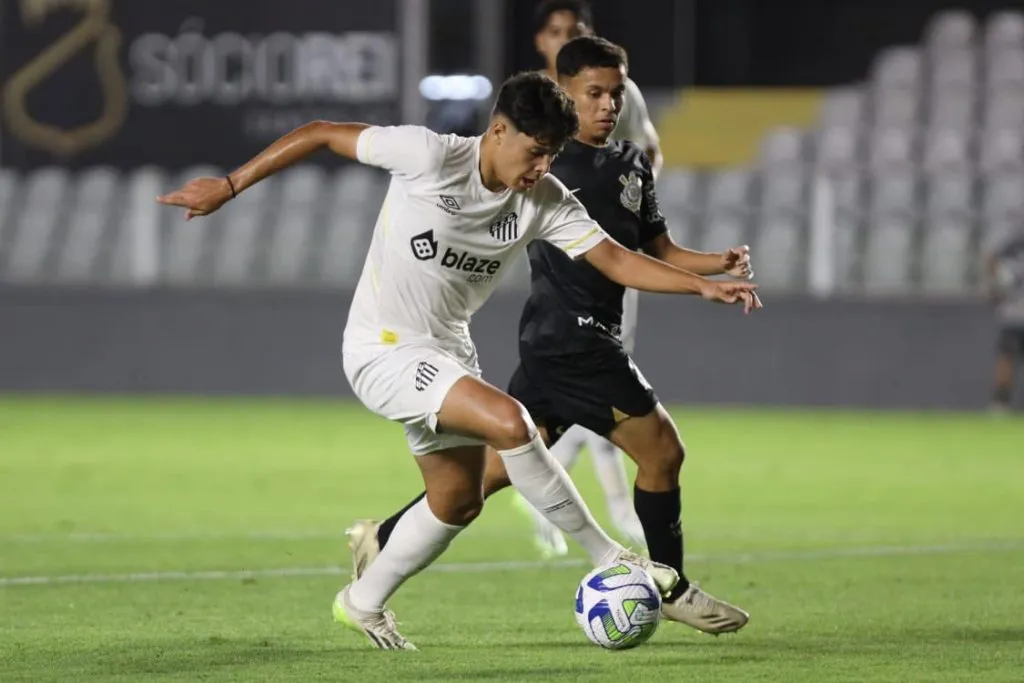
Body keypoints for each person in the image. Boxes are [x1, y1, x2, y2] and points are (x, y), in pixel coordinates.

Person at [158, 71, 760, 651]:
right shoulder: (426, 155)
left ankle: (363, 601)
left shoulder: (544, 197)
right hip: (383, 347)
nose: (543, 166)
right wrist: (229, 186)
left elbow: (618, 259)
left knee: (457, 500)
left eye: (552, 153)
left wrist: (701, 285)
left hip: (448, 351)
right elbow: (318, 131)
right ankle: (612, 557)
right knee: (513, 424)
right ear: (498, 132)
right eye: (535, 151)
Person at [349, 37, 755, 641]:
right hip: (568, 343)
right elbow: (344, 139)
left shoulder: (619, 167)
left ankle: (379, 542)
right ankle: (660, 580)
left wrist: (709, 272)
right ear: (560, 93)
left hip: (532, 346)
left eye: (618, 94)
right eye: (594, 93)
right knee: (658, 451)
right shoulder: (511, 164)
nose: (608, 105)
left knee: (474, 487)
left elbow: (637, 253)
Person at [513, 0, 668, 556]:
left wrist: (629, 191)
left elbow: (647, 151)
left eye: (572, 32)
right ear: (540, 44)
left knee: (550, 419)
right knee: (605, 391)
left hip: (613, 264)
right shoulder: (528, 104)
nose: (607, 104)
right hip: (568, 273)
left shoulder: (616, 98)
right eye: (554, 33)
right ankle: (614, 514)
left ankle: (385, 537)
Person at [987, 228, 1024, 412]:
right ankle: (1000, 403)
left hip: (1013, 312)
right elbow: (991, 258)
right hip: (1014, 312)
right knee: (1006, 358)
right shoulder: (1012, 243)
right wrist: (996, 288)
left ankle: (1000, 404)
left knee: (1006, 357)